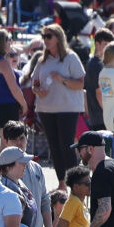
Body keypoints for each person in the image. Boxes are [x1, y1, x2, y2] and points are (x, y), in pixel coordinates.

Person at [29, 25, 87, 181]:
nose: (46, 40)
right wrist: (37, 90)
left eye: (49, 36)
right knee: (54, 147)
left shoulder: (70, 57)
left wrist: (62, 79)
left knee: (66, 146)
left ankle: (76, 183)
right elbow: (34, 83)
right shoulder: (42, 60)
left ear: (58, 38)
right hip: (46, 108)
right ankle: (61, 182)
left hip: (68, 108)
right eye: (44, 36)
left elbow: (81, 84)